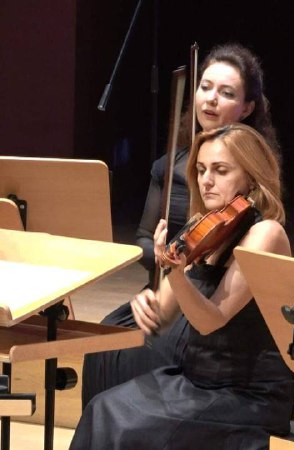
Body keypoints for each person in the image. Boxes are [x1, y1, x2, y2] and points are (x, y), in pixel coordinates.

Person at [71, 124, 294, 449]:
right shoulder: (205, 228)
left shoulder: (265, 233)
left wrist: (175, 274)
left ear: (250, 176)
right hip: (198, 379)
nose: (206, 180)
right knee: (103, 408)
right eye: (201, 170)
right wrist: (148, 306)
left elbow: (211, 319)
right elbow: (166, 311)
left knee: (124, 424)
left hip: (246, 392)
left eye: (220, 170)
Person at [82, 42, 280, 407]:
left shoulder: (253, 207)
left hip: (215, 317)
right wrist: (164, 268)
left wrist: (174, 271)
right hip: (178, 287)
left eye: (226, 93)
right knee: (104, 344)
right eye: (205, 87)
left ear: (247, 107)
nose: (211, 99)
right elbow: (148, 238)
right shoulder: (170, 167)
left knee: (139, 358)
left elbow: (219, 301)